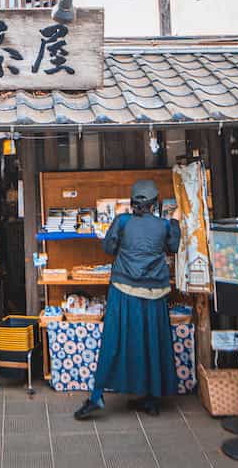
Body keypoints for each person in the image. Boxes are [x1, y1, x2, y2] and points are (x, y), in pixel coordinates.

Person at [74, 179, 181, 420]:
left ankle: (97, 396)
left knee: (114, 341)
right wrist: (174, 220)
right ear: (155, 203)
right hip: (155, 293)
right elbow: (173, 246)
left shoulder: (122, 221)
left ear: (133, 202)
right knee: (152, 342)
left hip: (123, 290)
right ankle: (152, 398)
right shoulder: (164, 225)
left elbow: (109, 249)